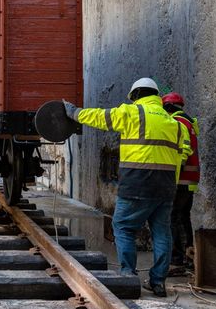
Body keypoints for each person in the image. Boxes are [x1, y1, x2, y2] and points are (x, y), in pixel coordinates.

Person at [63, 78, 191, 297]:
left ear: (137, 95)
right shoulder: (176, 125)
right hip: (166, 188)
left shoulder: (134, 113)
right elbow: (182, 155)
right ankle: (158, 282)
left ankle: (128, 276)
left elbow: (99, 117)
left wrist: (73, 112)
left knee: (123, 227)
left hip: (136, 185)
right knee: (162, 233)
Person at [161, 92, 200, 274]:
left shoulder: (178, 122)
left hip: (180, 178)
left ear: (168, 108)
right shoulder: (189, 122)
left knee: (173, 217)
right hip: (189, 179)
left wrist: (171, 174)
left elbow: (182, 151)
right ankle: (189, 256)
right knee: (183, 217)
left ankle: (176, 261)